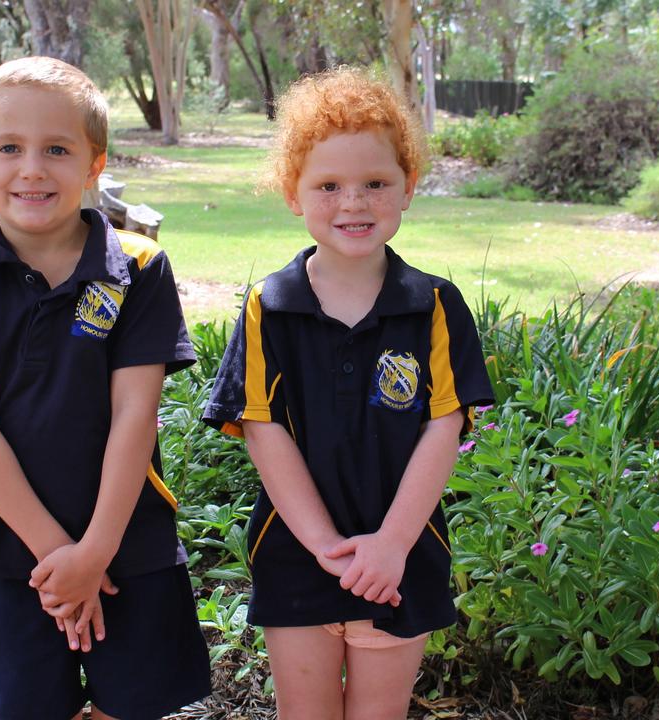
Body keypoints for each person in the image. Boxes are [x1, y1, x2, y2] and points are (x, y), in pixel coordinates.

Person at [0, 56, 211, 720]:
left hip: (129, 533)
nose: (32, 168)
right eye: (8, 148)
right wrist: (59, 557)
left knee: (132, 704)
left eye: (57, 149)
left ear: (95, 162)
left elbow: (137, 413)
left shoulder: (138, 266)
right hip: (16, 547)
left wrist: (95, 551)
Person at [202, 66, 494, 719]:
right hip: (296, 552)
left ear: (409, 188)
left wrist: (389, 545)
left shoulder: (436, 307)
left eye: (375, 184)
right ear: (293, 192)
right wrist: (324, 547)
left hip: (403, 554)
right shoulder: (268, 308)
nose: (353, 203)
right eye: (329, 185)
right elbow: (263, 430)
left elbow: (444, 427)